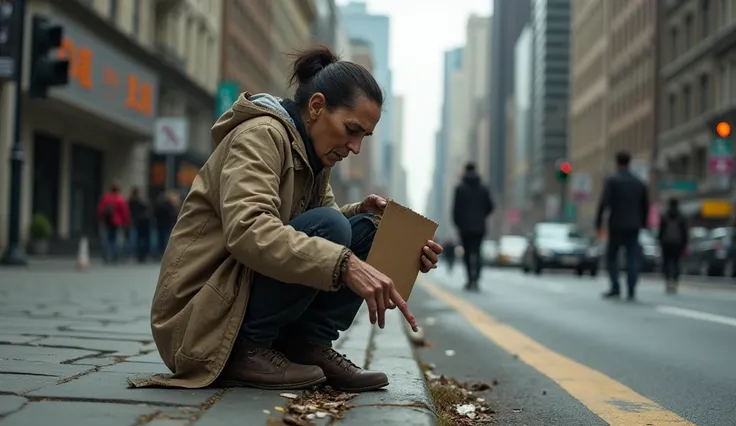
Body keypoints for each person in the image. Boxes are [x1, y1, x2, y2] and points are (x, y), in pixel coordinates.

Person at [130, 47, 443, 392]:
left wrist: (365, 218)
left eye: (363, 137)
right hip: (199, 323)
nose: (355, 147)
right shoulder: (260, 136)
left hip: (238, 293)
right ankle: (247, 349)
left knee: (367, 230)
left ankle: (308, 346)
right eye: (351, 130)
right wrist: (344, 264)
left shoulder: (313, 155)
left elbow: (321, 224)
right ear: (316, 107)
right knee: (334, 233)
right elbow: (249, 230)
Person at [595, 151, 649, 301]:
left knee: (612, 256)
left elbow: (604, 203)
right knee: (632, 257)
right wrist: (644, 223)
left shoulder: (612, 181)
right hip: (634, 225)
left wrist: (598, 223)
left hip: (616, 224)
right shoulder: (639, 183)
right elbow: (645, 206)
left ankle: (615, 287)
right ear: (629, 162)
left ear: (617, 162)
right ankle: (631, 289)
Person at [452, 162, 494, 291]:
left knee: (467, 253)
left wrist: (459, 224)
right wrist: (481, 216)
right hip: (479, 227)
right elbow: (490, 207)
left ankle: (470, 279)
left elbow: (455, 210)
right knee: (478, 252)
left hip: (465, 228)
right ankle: (477, 280)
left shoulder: (460, 188)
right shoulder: (484, 188)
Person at [658, 198, 688, 294]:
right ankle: (674, 281)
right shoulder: (681, 216)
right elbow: (684, 232)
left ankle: (668, 281)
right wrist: (684, 244)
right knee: (676, 263)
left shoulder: (665, 215)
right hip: (678, 244)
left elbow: (661, 231)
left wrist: (660, 242)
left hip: (666, 243)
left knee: (666, 263)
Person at [96, 180, 130, 264]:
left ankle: (105, 256)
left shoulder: (105, 197)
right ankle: (115, 257)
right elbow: (125, 212)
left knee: (106, 238)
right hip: (117, 222)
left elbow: (100, 209)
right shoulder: (121, 199)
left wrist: (100, 218)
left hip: (106, 221)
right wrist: (126, 222)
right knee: (115, 239)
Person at [128, 187, 152, 263]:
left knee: (136, 240)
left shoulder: (131, 201)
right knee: (140, 240)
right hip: (140, 223)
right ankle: (141, 255)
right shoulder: (140, 202)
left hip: (137, 223)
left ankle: (138, 255)